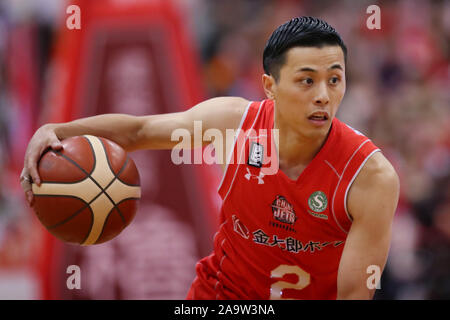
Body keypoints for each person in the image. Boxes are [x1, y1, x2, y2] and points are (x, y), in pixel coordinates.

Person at [20, 17, 399, 299]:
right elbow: (138, 132)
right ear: (270, 86)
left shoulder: (370, 177)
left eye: (335, 79)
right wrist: (58, 130)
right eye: (306, 80)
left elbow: (354, 295)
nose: (323, 95)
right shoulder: (233, 125)